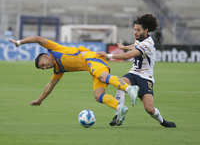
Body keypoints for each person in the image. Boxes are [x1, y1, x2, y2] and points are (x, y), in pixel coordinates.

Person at [9, 36, 139, 126]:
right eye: (43, 68)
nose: (45, 67)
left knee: (102, 77)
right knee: (98, 95)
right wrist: (40, 100)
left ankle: (129, 89)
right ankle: (120, 107)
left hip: (92, 58)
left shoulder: (54, 49)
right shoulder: (58, 70)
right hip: (91, 68)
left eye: (43, 64)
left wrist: (19, 42)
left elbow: (37, 39)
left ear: (45, 56)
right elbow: (50, 86)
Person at [97, 14, 176, 128]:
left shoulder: (148, 44)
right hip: (133, 73)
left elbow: (128, 55)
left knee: (149, 109)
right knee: (121, 83)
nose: (135, 32)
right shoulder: (140, 39)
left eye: (138, 30)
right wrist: (125, 47)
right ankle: (117, 115)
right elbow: (135, 45)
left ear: (146, 30)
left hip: (145, 78)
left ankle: (163, 121)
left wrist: (108, 55)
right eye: (134, 29)